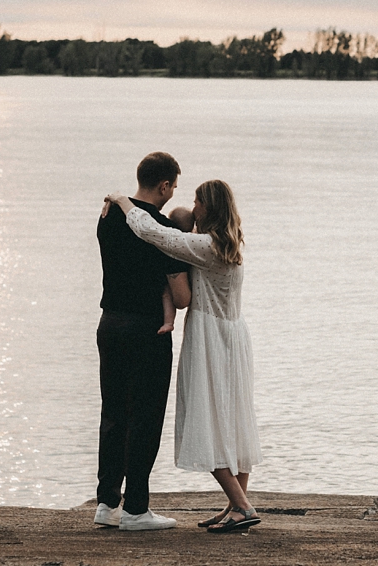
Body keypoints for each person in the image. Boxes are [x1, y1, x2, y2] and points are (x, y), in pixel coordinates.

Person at [105, 180, 262, 533]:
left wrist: (120, 200)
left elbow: (152, 231)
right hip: (234, 336)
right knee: (234, 420)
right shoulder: (229, 243)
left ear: (208, 207)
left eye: (196, 200)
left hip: (210, 337)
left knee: (204, 418)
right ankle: (238, 504)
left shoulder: (204, 245)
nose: (192, 205)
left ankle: (241, 505)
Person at [93, 152, 191, 531]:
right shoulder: (161, 229)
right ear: (164, 185)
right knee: (145, 418)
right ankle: (135, 509)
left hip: (109, 324)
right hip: (146, 329)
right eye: (174, 186)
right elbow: (181, 297)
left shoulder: (108, 216)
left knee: (113, 415)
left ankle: (107, 503)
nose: (172, 193)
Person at [156, 207, 196, 335]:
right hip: (187, 275)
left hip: (173, 276)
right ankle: (169, 323)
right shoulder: (192, 241)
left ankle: (169, 323)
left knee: (167, 294)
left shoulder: (171, 242)